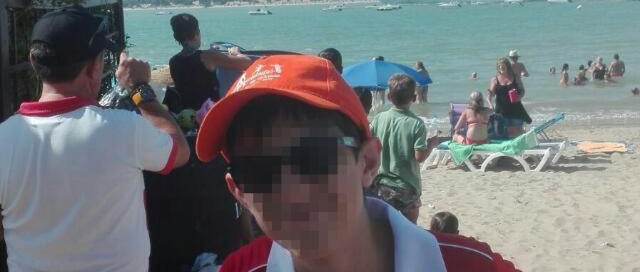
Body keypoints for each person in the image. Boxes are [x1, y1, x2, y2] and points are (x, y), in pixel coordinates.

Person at [193, 55, 519, 272]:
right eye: (258, 172)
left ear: (367, 162)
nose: (291, 190)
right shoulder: (243, 268)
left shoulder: (466, 265)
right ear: (238, 192)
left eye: (314, 158)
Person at [0, 7, 190, 271]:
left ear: (34, 62)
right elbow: (179, 150)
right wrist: (140, 89)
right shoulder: (123, 130)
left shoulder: (4, 139)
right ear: (94, 66)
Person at [369, 74, 438, 223]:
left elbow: (369, 142)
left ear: (388, 96)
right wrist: (431, 144)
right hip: (407, 185)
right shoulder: (416, 124)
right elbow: (419, 157)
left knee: (384, 228)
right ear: (414, 98)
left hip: (381, 184)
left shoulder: (379, 119)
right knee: (410, 228)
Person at [169, 13, 251, 111]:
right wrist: (235, 53)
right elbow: (246, 62)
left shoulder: (173, 61)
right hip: (209, 113)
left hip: (188, 115)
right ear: (196, 33)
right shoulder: (208, 56)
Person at [487, 57, 532, 137]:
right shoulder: (495, 79)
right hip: (501, 111)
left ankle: (521, 146)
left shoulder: (515, 77)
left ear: (507, 66)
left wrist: (518, 97)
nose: (501, 69)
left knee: (518, 130)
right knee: (505, 132)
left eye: (503, 67)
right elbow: (490, 95)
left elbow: (522, 91)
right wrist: (490, 105)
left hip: (516, 108)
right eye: (499, 67)